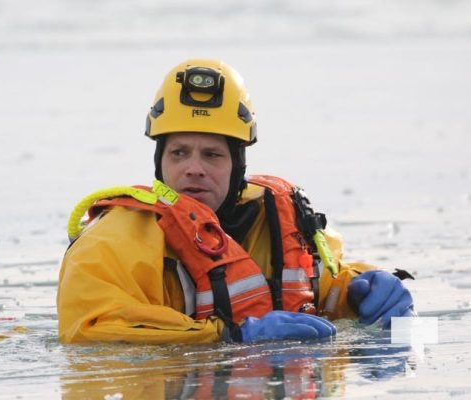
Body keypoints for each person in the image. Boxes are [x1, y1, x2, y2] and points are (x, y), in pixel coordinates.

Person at [57, 58, 415, 344]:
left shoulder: (277, 219)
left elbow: (320, 294)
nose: (193, 169)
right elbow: (88, 329)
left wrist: (358, 293)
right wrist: (226, 337)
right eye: (179, 153)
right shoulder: (110, 242)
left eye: (212, 155)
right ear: (159, 160)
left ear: (238, 165)